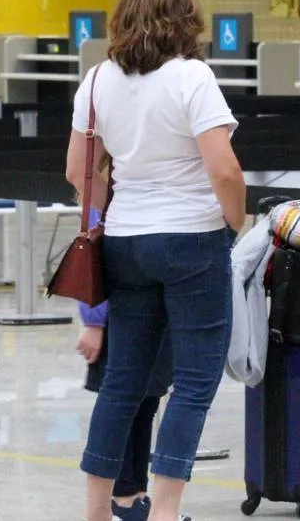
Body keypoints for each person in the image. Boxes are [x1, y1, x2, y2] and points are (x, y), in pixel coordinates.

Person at [67, 0, 246, 521]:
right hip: (191, 239)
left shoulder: (97, 80)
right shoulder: (193, 78)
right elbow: (224, 170)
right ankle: (163, 511)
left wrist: (125, 198)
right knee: (193, 381)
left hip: (125, 241)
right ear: (184, 15)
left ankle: (97, 510)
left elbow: (80, 172)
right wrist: (236, 224)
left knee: (122, 380)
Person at [73, 157, 175, 521]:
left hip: (151, 315)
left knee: (147, 404)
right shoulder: (107, 202)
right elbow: (92, 265)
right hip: (116, 319)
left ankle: (137, 491)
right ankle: (123, 495)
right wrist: (93, 322)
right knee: (123, 405)